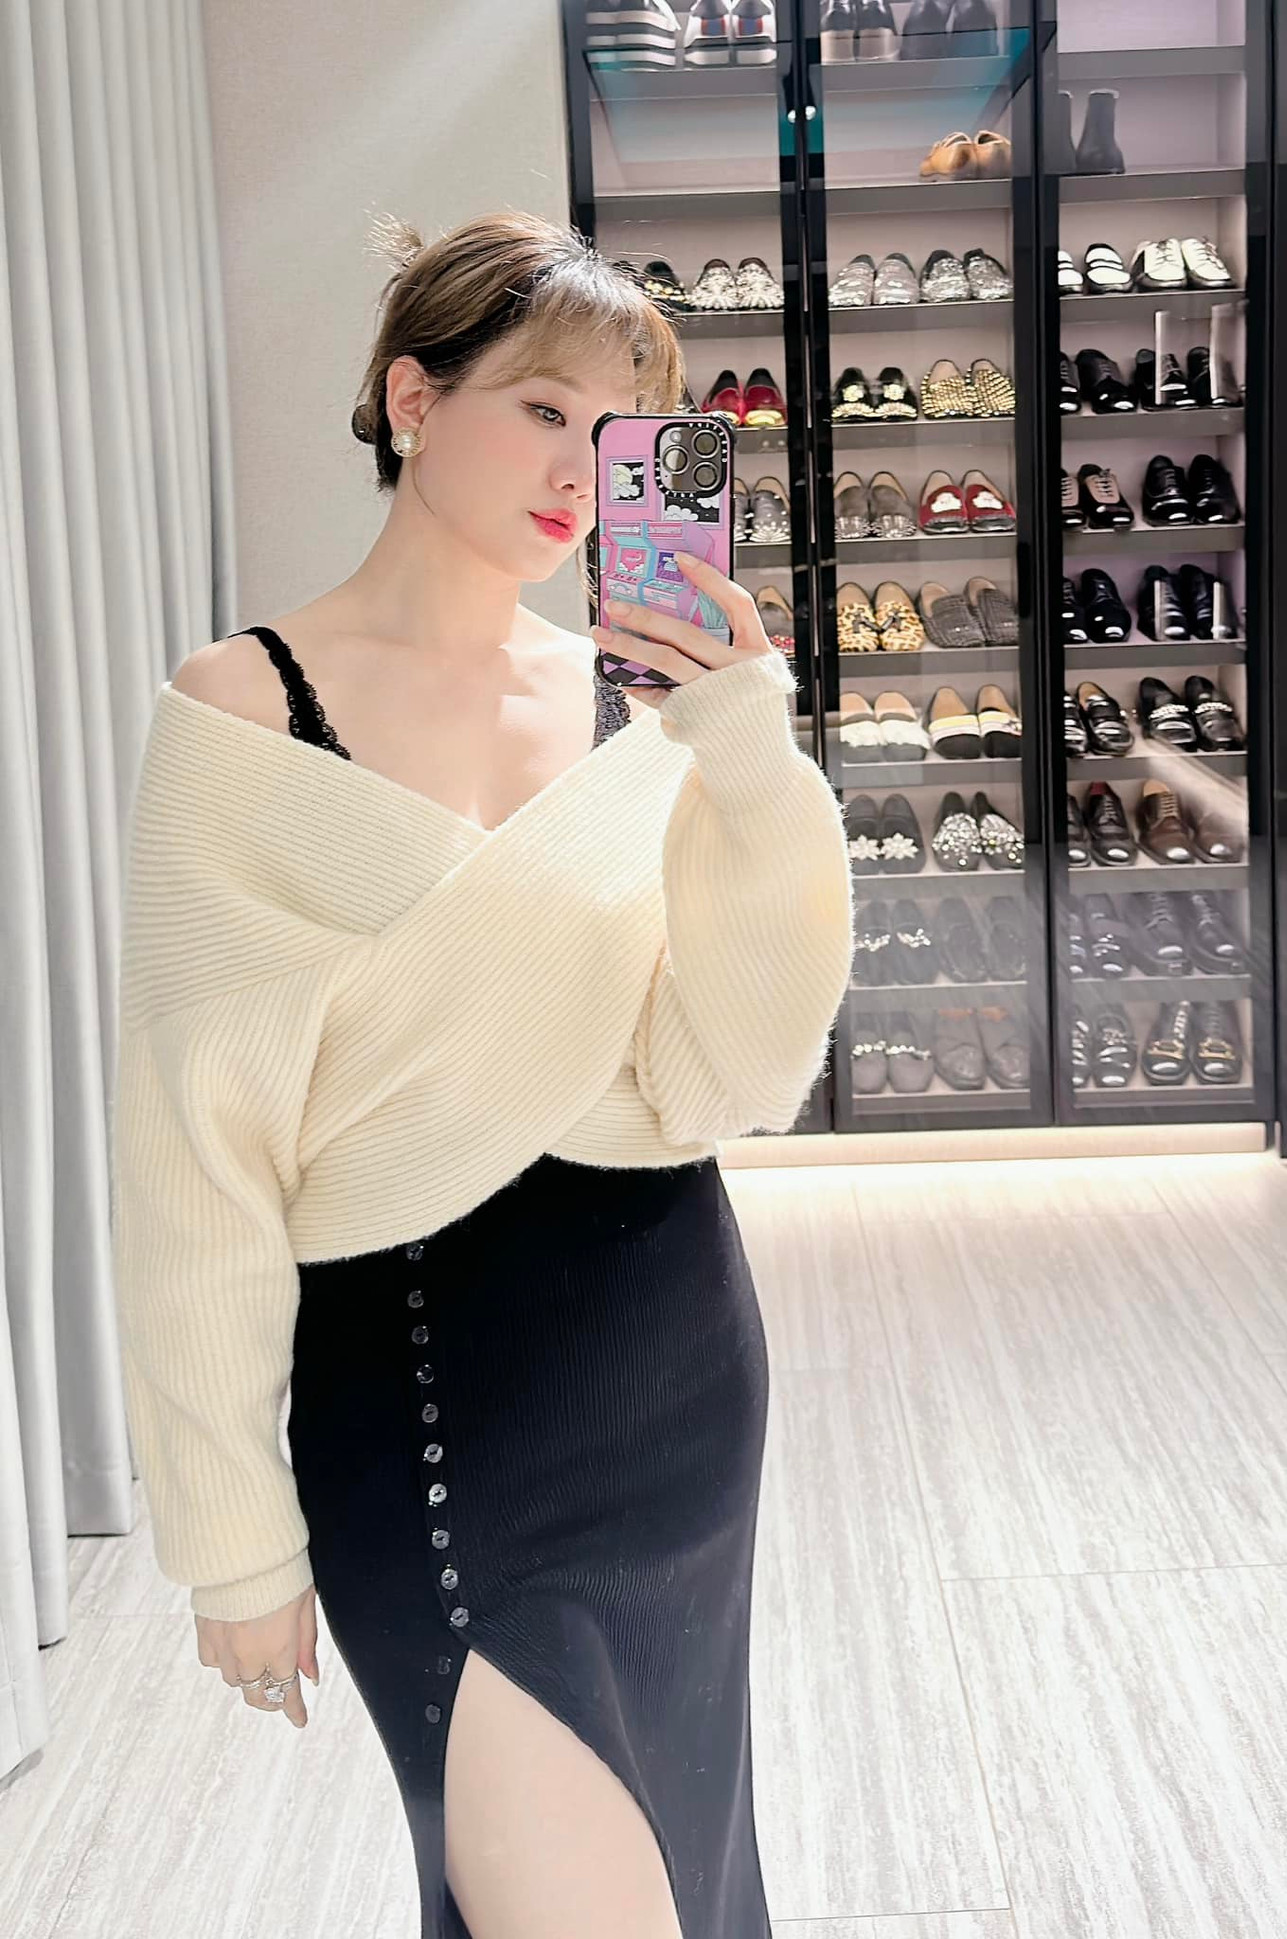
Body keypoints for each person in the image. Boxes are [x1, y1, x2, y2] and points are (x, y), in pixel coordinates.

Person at [110, 208, 855, 1939]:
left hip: (670, 1361)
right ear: (411, 399)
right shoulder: (241, 712)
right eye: (541, 410)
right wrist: (232, 1529)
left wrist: (746, 750)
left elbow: (732, 1070)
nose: (583, 472)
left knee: (677, 1884)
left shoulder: (636, 710)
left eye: (623, 435)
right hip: (425, 1390)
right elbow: (194, 1157)